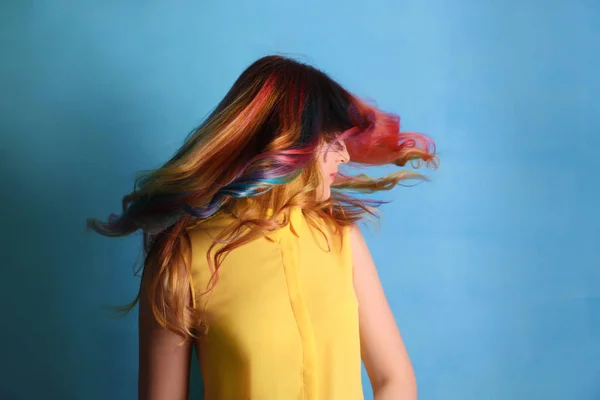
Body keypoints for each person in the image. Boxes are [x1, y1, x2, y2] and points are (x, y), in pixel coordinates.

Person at [87, 55, 438, 400]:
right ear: (290, 142)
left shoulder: (341, 239)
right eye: (332, 143)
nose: (344, 156)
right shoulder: (180, 261)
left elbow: (395, 379)